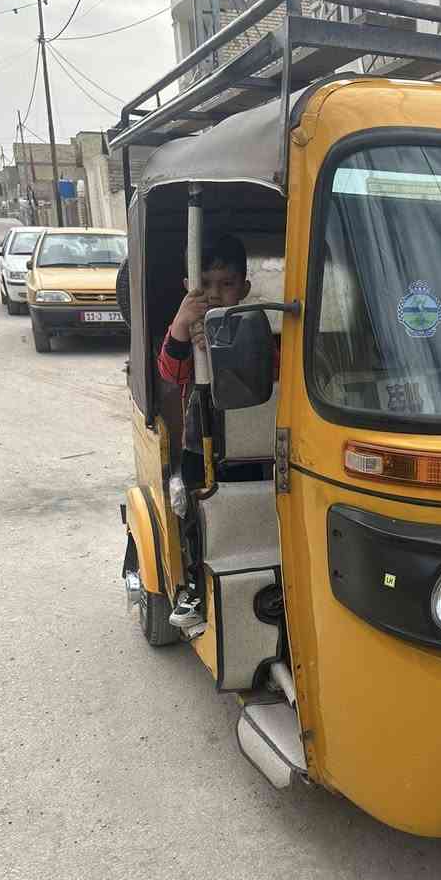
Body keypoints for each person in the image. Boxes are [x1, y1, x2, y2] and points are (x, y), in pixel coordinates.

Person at [158, 234, 251, 632]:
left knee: (247, 513)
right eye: (206, 284)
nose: (214, 294)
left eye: (226, 283)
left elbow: (262, 376)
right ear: (188, 287)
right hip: (200, 442)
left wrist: (218, 348)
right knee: (198, 516)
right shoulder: (185, 330)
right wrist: (183, 325)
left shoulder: (251, 326)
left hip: (248, 442)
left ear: (243, 288)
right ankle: (194, 587)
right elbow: (171, 372)